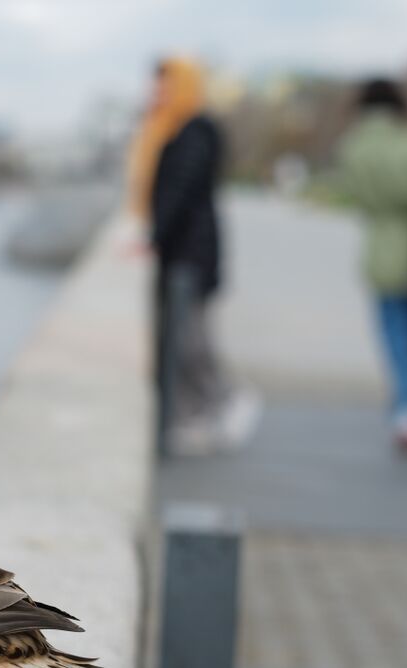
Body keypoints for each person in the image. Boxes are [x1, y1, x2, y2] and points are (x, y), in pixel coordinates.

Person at [130, 57, 258, 457]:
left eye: (164, 85)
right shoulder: (175, 127)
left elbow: (179, 190)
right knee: (181, 337)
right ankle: (191, 416)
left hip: (191, 253)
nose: (157, 93)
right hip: (182, 251)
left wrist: (153, 235)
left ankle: (223, 403)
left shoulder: (194, 130)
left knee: (191, 340)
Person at [336, 78, 407, 452]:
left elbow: (353, 194)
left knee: (395, 331)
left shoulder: (354, 146)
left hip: (382, 246)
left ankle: (406, 405)